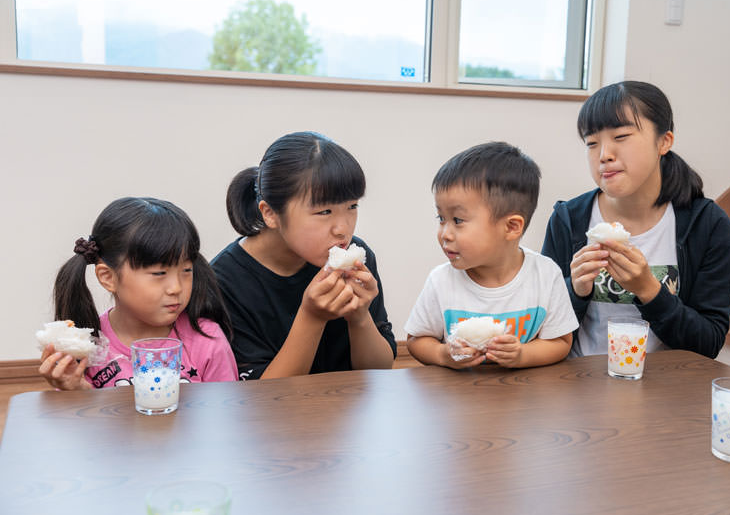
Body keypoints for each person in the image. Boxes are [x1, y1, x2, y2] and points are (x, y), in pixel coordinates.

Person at [541, 81, 730, 359]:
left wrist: (649, 290)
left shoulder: (707, 224)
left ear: (664, 141)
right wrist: (575, 290)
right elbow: (539, 332)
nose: (604, 155)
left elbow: (708, 344)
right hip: (577, 386)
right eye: (592, 143)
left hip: (666, 391)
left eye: (621, 137)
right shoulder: (568, 220)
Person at [211, 131, 396, 380]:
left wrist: (360, 316)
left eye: (352, 206)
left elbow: (380, 372)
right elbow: (262, 396)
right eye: (324, 211)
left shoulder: (359, 259)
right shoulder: (224, 282)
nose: (342, 229)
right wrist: (312, 317)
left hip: (349, 410)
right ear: (270, 214)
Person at [405, 142, 578, 369]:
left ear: (511, 227)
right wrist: (442, 354)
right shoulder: (441, 281)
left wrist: (522, 355)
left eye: (457, 220)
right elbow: (417, 340)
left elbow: (560, 342)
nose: (444, 234)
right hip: (457, 395)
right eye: (441, 219)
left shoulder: (545, 275)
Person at [39, 197, 238, 389]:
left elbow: (228, 413)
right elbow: (80, 420)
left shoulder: (208, 340)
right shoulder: (88, 345)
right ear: (108, 277)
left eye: (186, 270)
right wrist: (78, 392)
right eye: (159, 273)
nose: (176, 287)